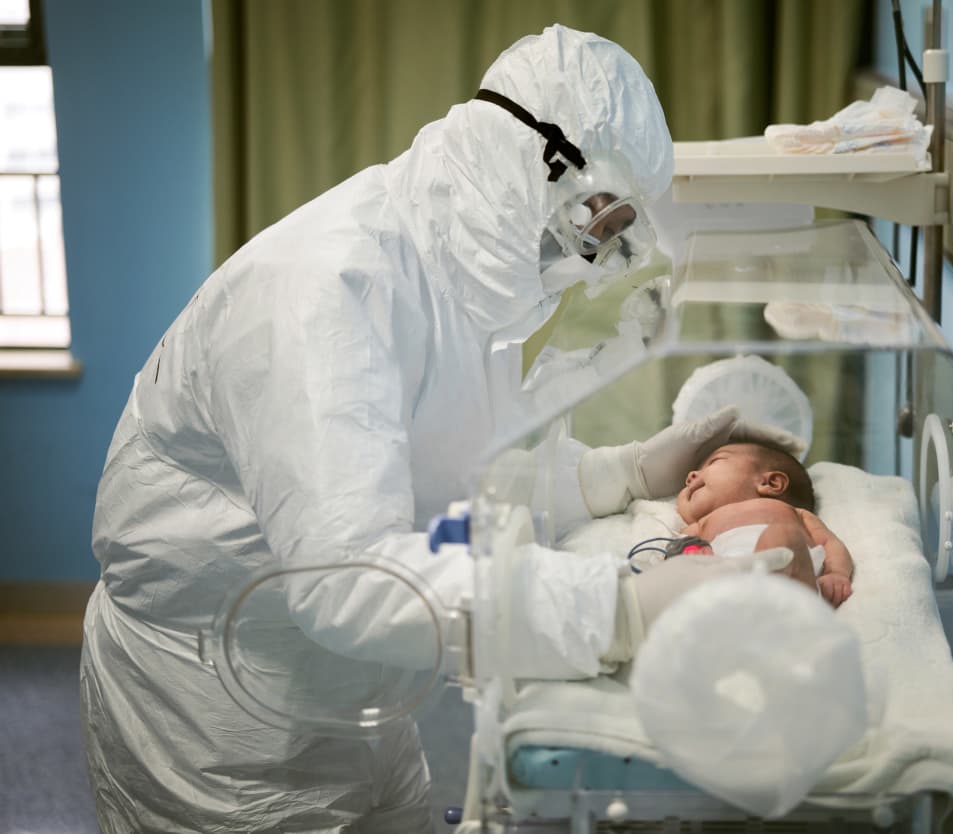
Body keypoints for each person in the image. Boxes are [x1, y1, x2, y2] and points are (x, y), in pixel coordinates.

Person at [80, 25, 785, 834]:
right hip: (222, 716)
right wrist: (614, 610)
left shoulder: (463, 282)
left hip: (358, 686)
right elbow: (346, 581)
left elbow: (444, 476)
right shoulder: (324, 289)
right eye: (601, 219)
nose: (599, 252)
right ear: (537, 161)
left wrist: (615, 475)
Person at [673, 440, 855, 606]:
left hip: (788, 578)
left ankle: (769, 604)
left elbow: (829, 543)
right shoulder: (701, 524)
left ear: (771, 483)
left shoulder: (792, 513)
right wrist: (693, 557)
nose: (691, 475)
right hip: (724, 579)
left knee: (783, 536)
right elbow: (675, 555)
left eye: (714, 462)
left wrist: (836, 573)